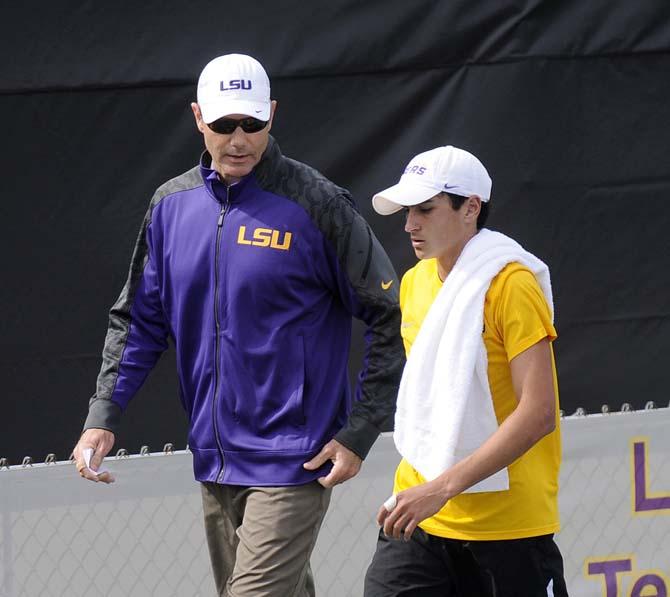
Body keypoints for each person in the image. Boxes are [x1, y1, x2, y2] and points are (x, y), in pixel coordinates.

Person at [71, 53, 404, 596]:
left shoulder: (316, 204)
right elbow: (138, 320)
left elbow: (391, 317)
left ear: (272, 114)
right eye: (225, 124)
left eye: (253, 122)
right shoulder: (170, 207)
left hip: (296, 459)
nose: (239, 138)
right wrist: (103, 414)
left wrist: (359, 432)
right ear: (199, 117)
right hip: (215, 461)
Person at [364, 146, 568, 596]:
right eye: (406, 211)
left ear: (470, 207)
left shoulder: (512, 286)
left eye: (425, 209)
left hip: (507, 529)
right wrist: (431, 492)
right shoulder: (415, 281)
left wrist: (442, 487)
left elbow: (538, 413)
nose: (409, 224)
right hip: (420, 518)